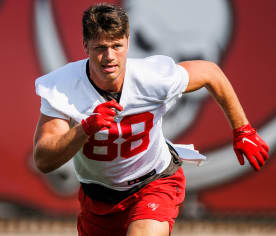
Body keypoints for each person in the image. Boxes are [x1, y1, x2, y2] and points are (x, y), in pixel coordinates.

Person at [33, 3, 269, 236]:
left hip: (153, 182)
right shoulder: (63, 87)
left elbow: (210, 73)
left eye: (117, 46)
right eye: (100, 47)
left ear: (128, 41)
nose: (109, 57)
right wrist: (84, 129)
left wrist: (243, 130)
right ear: (85, 45)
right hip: (98, 197)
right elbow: (44, 159)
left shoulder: (152, 77)